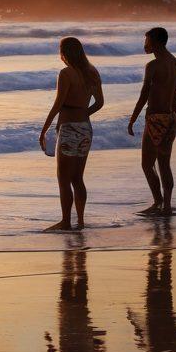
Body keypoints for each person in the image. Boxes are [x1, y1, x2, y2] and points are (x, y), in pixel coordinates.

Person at [38, 37, 105, 230]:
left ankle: (66, 221)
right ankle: (81, 221)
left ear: (64, 53)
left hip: (68, 128)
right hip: (85, 128)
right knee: (77, 178)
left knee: (63, 178)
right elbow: (100, 103)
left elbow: (58, 104)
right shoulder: (92, 72)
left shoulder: (66, 73)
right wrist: (83, 113)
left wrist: (44, 130)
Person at [128, 27, 176, 216]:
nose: (145, 44)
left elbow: (144, 94)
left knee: (147, 164)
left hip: (155, 118)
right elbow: (175, 96)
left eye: (147, 40)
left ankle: (158, 202)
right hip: (171, 117)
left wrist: (133, 118)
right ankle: (166, 206)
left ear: (156, 42)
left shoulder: (153, 65)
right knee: (164, 163)